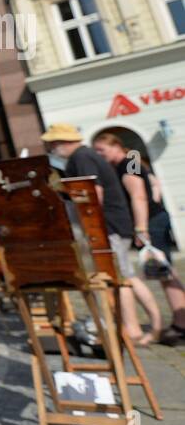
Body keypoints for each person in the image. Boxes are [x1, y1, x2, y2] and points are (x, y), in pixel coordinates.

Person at [41, 124, 158, 345]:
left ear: (62, 142)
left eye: (52, 143)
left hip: (109, 225)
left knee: (119, 279)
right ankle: (150, 324)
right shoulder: (88, 157)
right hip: (113, 224)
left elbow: (96, 195)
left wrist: (92, 228)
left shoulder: (84, 158)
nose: (50, 148)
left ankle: (132, 329)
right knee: (126, 276)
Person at [93, 131, 185, 343]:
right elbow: (153, 183)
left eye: (102, 150)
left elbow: (138, 195)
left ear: (116, 146)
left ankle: (181, 324)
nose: (99, 154)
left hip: (150, 221)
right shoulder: (132, 159)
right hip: (155, 217)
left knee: (164, 271)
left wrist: (141, 226)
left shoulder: (129, 162)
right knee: (163, 271)